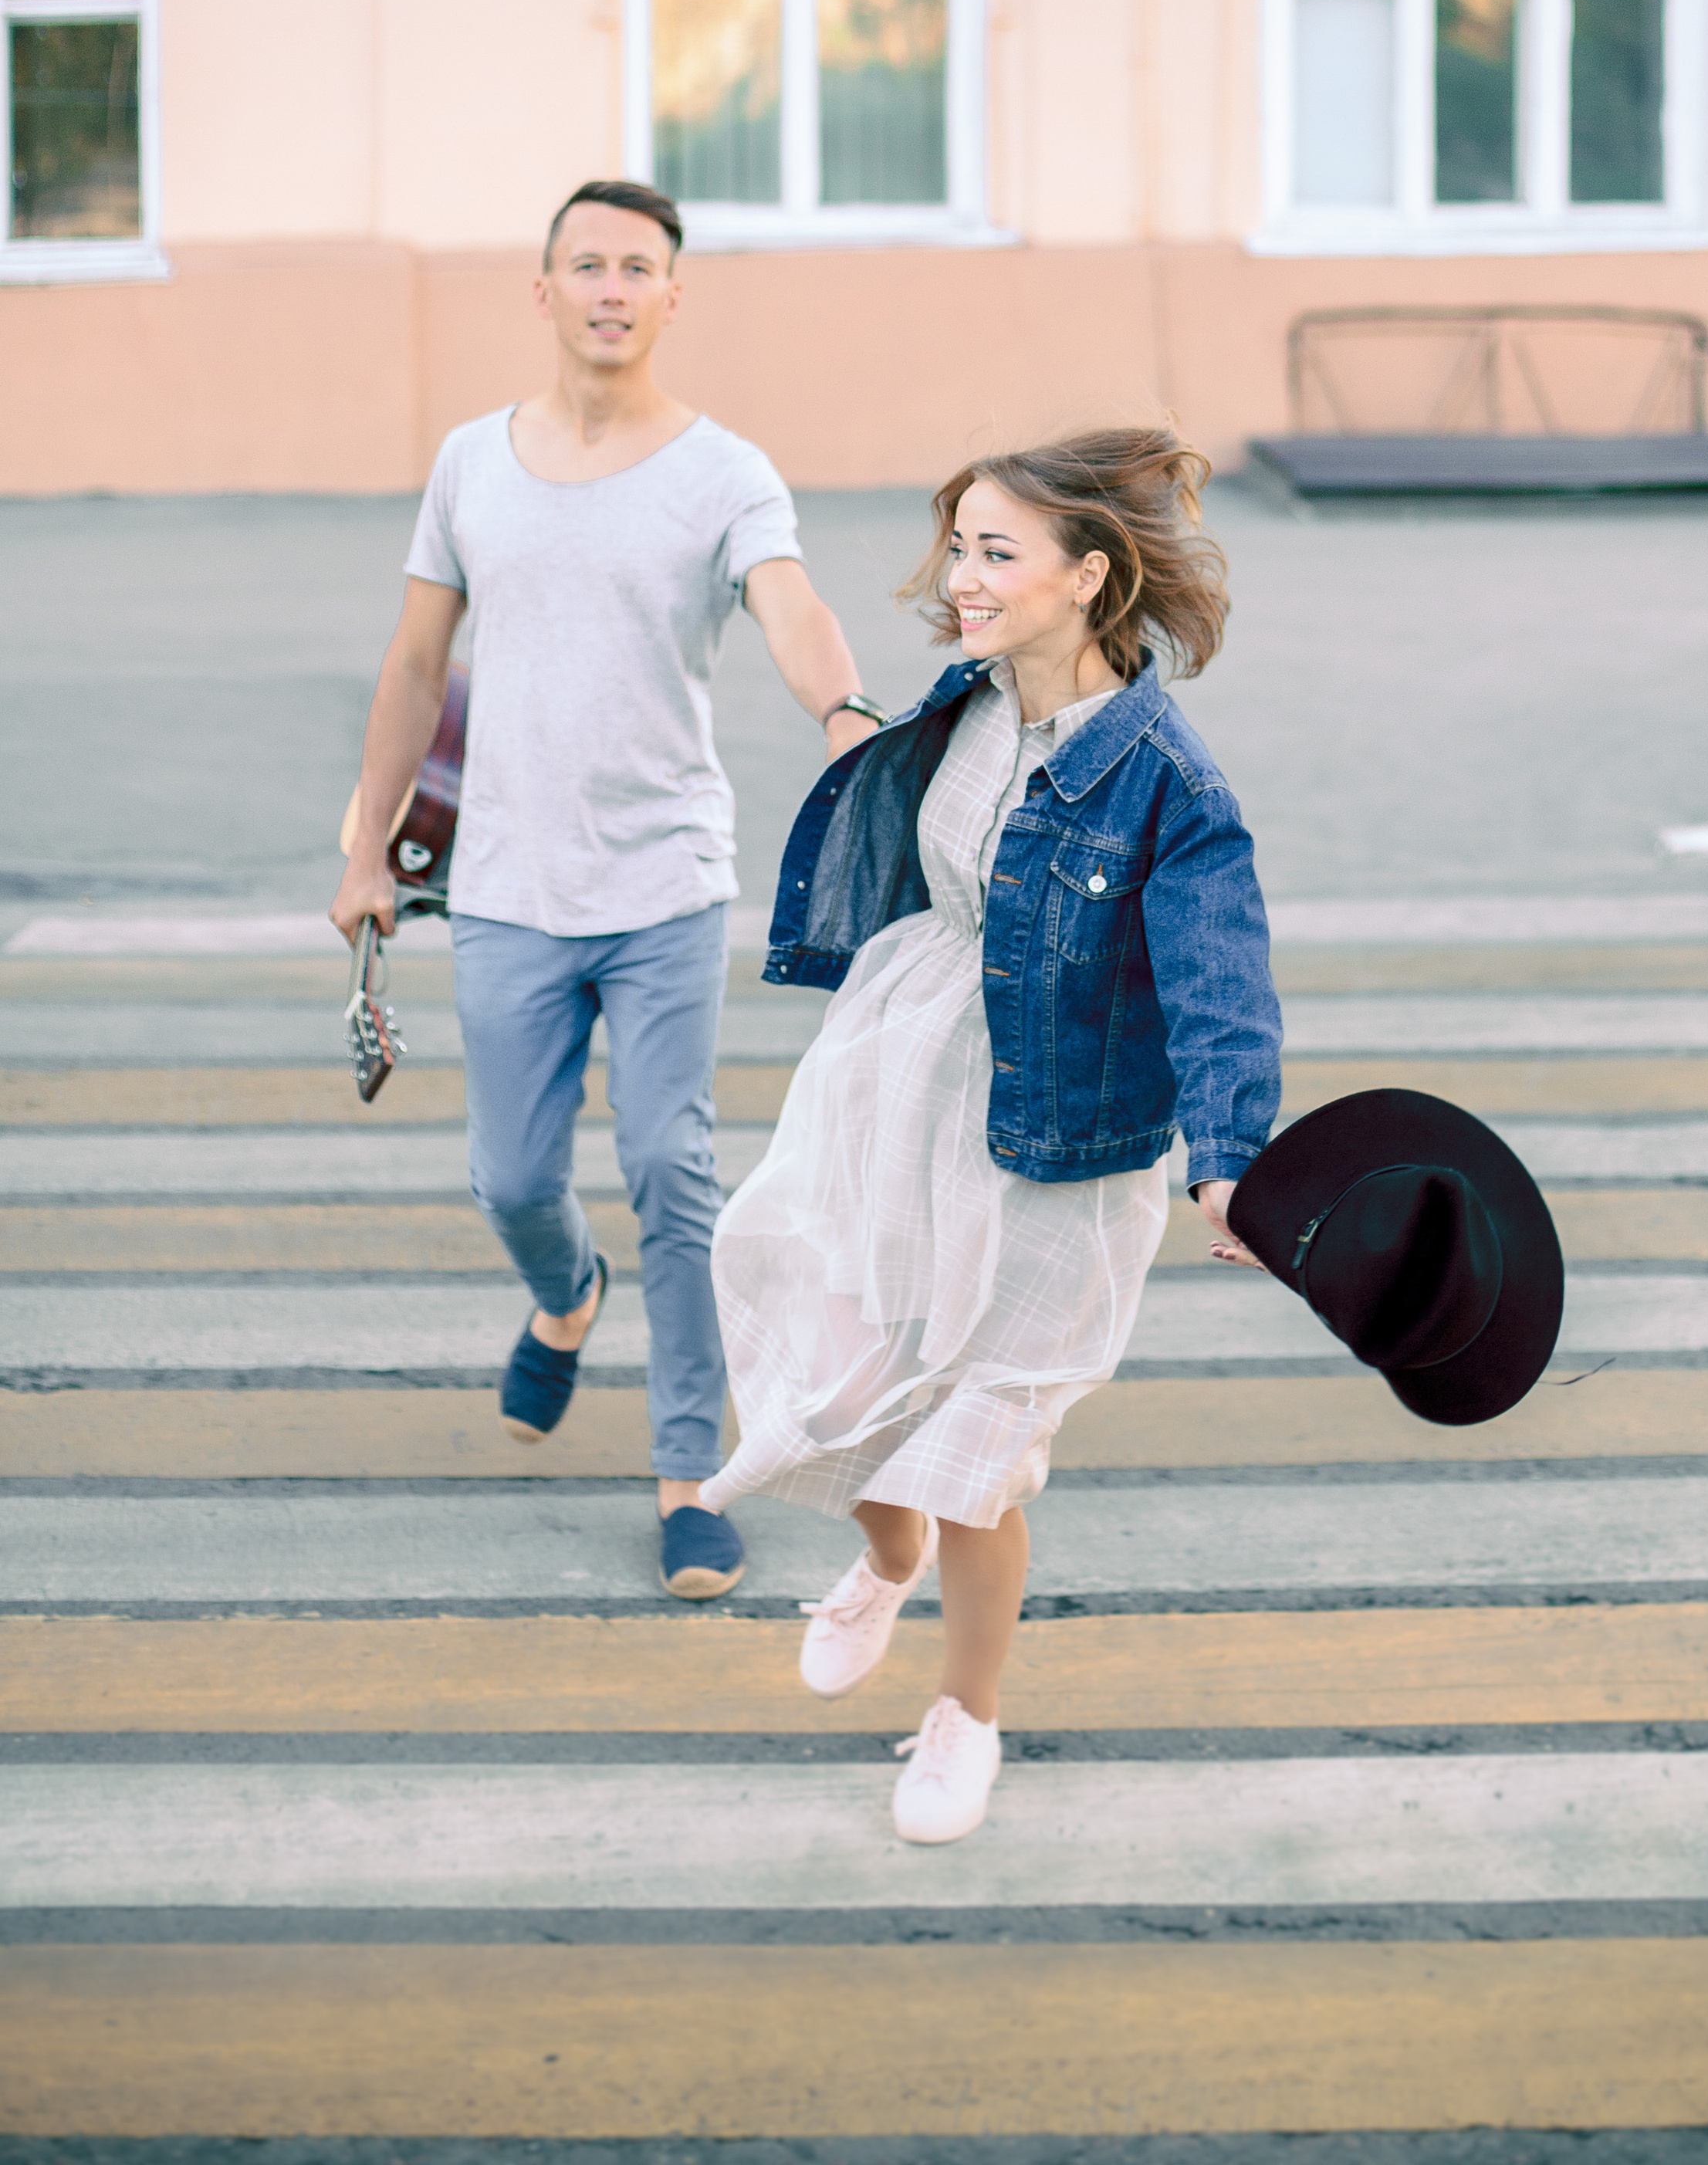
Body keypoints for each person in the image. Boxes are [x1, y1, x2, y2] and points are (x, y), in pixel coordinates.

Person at [700, 429, 1281, 1840]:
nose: (961, 579)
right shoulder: (970, 695)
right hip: (910, 1068)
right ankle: (880, 1557)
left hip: (1060, 1135)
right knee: (837, 1356)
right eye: (960, 545)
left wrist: (1231, 1158)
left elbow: (1219, 980)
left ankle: (966, 1713)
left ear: (1090, 576)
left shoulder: (1167, 784)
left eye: (995, 553)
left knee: (978, 1458)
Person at [330, 180, 882, 1600]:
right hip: (507, 880)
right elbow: (412, 668)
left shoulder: (725, 473)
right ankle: (568, 1296)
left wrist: (842, 714)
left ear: (671, 296)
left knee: (671, 1171)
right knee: (511, 1176)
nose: (612, 287)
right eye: (588, 264)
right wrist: (362, 848)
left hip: (666, 882)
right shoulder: (472, 463)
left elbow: (790, 602)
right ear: (546, 289)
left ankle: (692, 1474)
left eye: (639, 267)